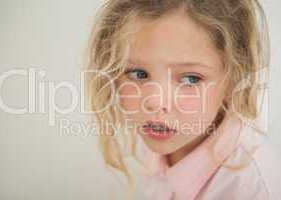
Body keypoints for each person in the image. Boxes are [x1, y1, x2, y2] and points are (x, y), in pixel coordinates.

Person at [85, 0, 279, 199]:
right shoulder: (161, 143)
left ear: (233, 81)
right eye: (139, 74)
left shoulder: (254, 189)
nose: (154, 102)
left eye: (190, 79)